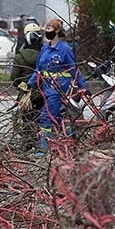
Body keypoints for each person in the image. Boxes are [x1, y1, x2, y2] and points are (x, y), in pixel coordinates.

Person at [28, 18, 87, 155]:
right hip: (47, 87)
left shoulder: (64, 49)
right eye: (46, 29)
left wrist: (83, 86)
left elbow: (74, 69)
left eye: (49, 29)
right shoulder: (45, 49)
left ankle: (43, 149)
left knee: (46, 116)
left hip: (59, 87)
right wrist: (29, 84)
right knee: (59, 117)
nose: (46, 32)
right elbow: (38, 69)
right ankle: (73, 139)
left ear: (57, 31)